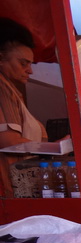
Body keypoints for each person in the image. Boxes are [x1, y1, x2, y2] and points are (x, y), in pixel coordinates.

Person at [0, 17, 45, 197]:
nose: (30, 70)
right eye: (23, 63)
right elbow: (9, 142)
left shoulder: (10, 89)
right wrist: (53, 148)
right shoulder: (2, 88)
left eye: (30, 64)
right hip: (9, 192)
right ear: (1, 58)